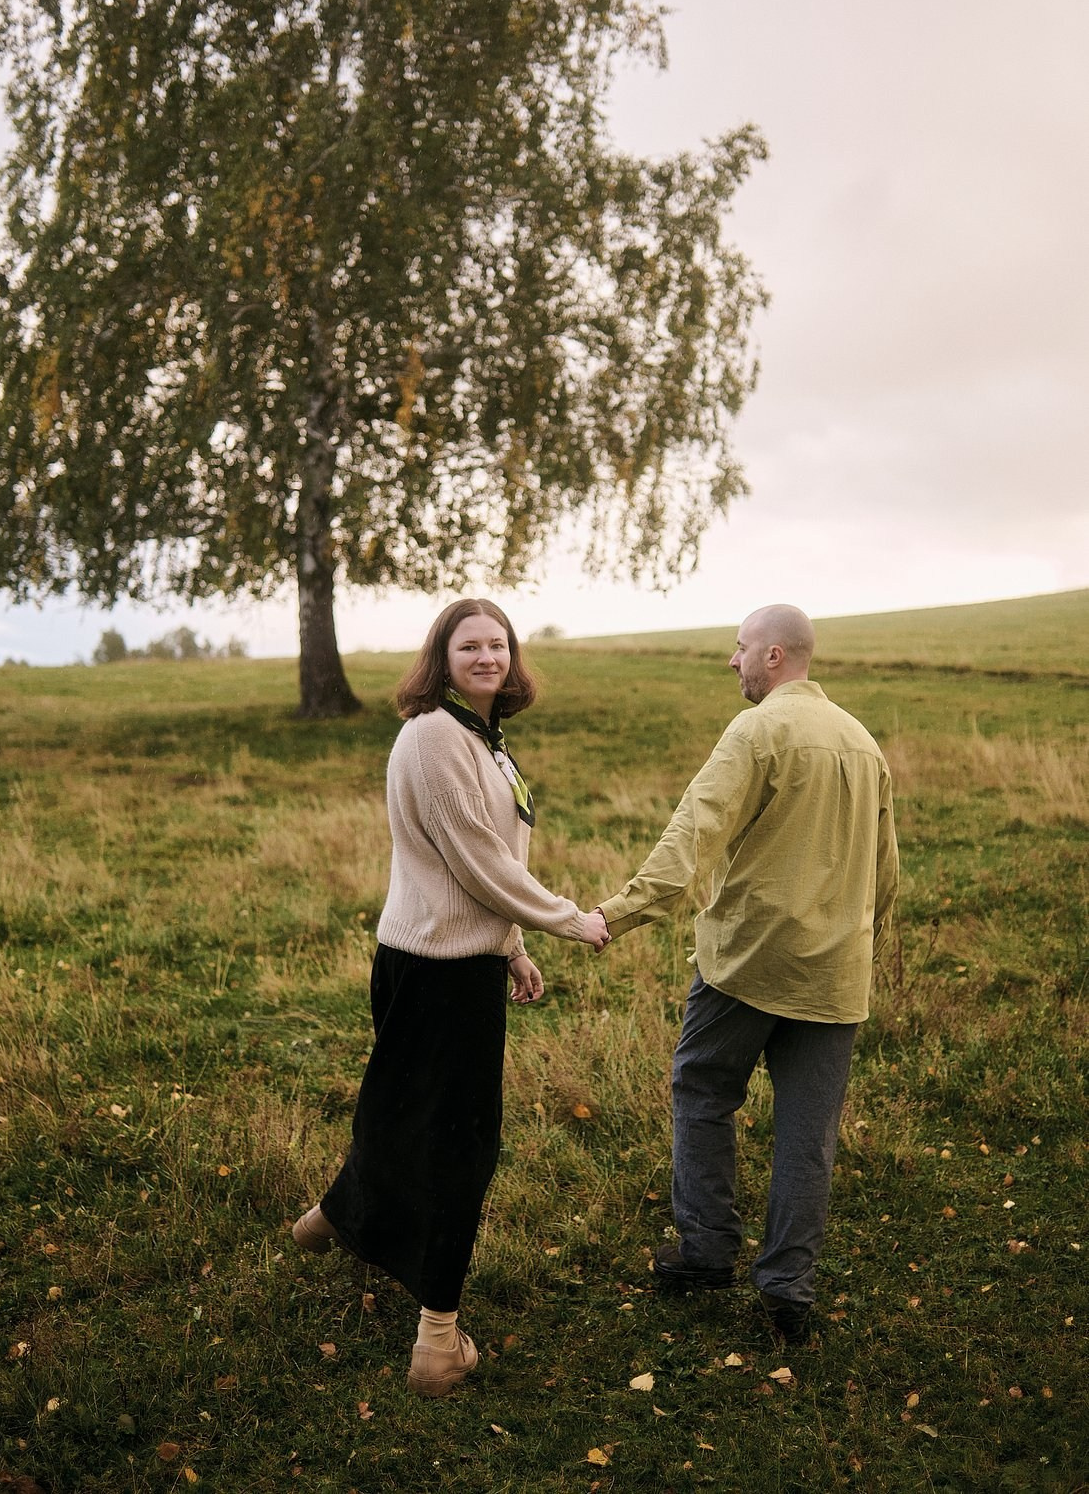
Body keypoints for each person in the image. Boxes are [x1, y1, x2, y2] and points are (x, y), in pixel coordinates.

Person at [292, 598, 609, 1396]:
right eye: (469, 645)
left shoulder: (482, 738)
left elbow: (482, 863)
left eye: (497, 644)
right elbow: (478, 862)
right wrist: (570, 920)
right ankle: (437, 1341)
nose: (486, 657)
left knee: (401, 1112)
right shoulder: (434, 734)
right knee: (457, 1144)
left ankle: (329, 1219)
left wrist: (511, 946)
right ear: (441, 656)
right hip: (431, 970)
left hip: (450, 956)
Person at [595, 604, 899, 1341]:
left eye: (737, 650)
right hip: (835, 976)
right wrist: (856, 936)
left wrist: (614, 913)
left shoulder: (757, 731)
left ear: (771, 656)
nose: (731, 662)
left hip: (746, 964)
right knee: (807, 1135)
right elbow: (885, 873)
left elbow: (691, 834)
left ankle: (704, 1255)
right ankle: (787, 1294)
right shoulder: (861, 742)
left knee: (701, 1091)